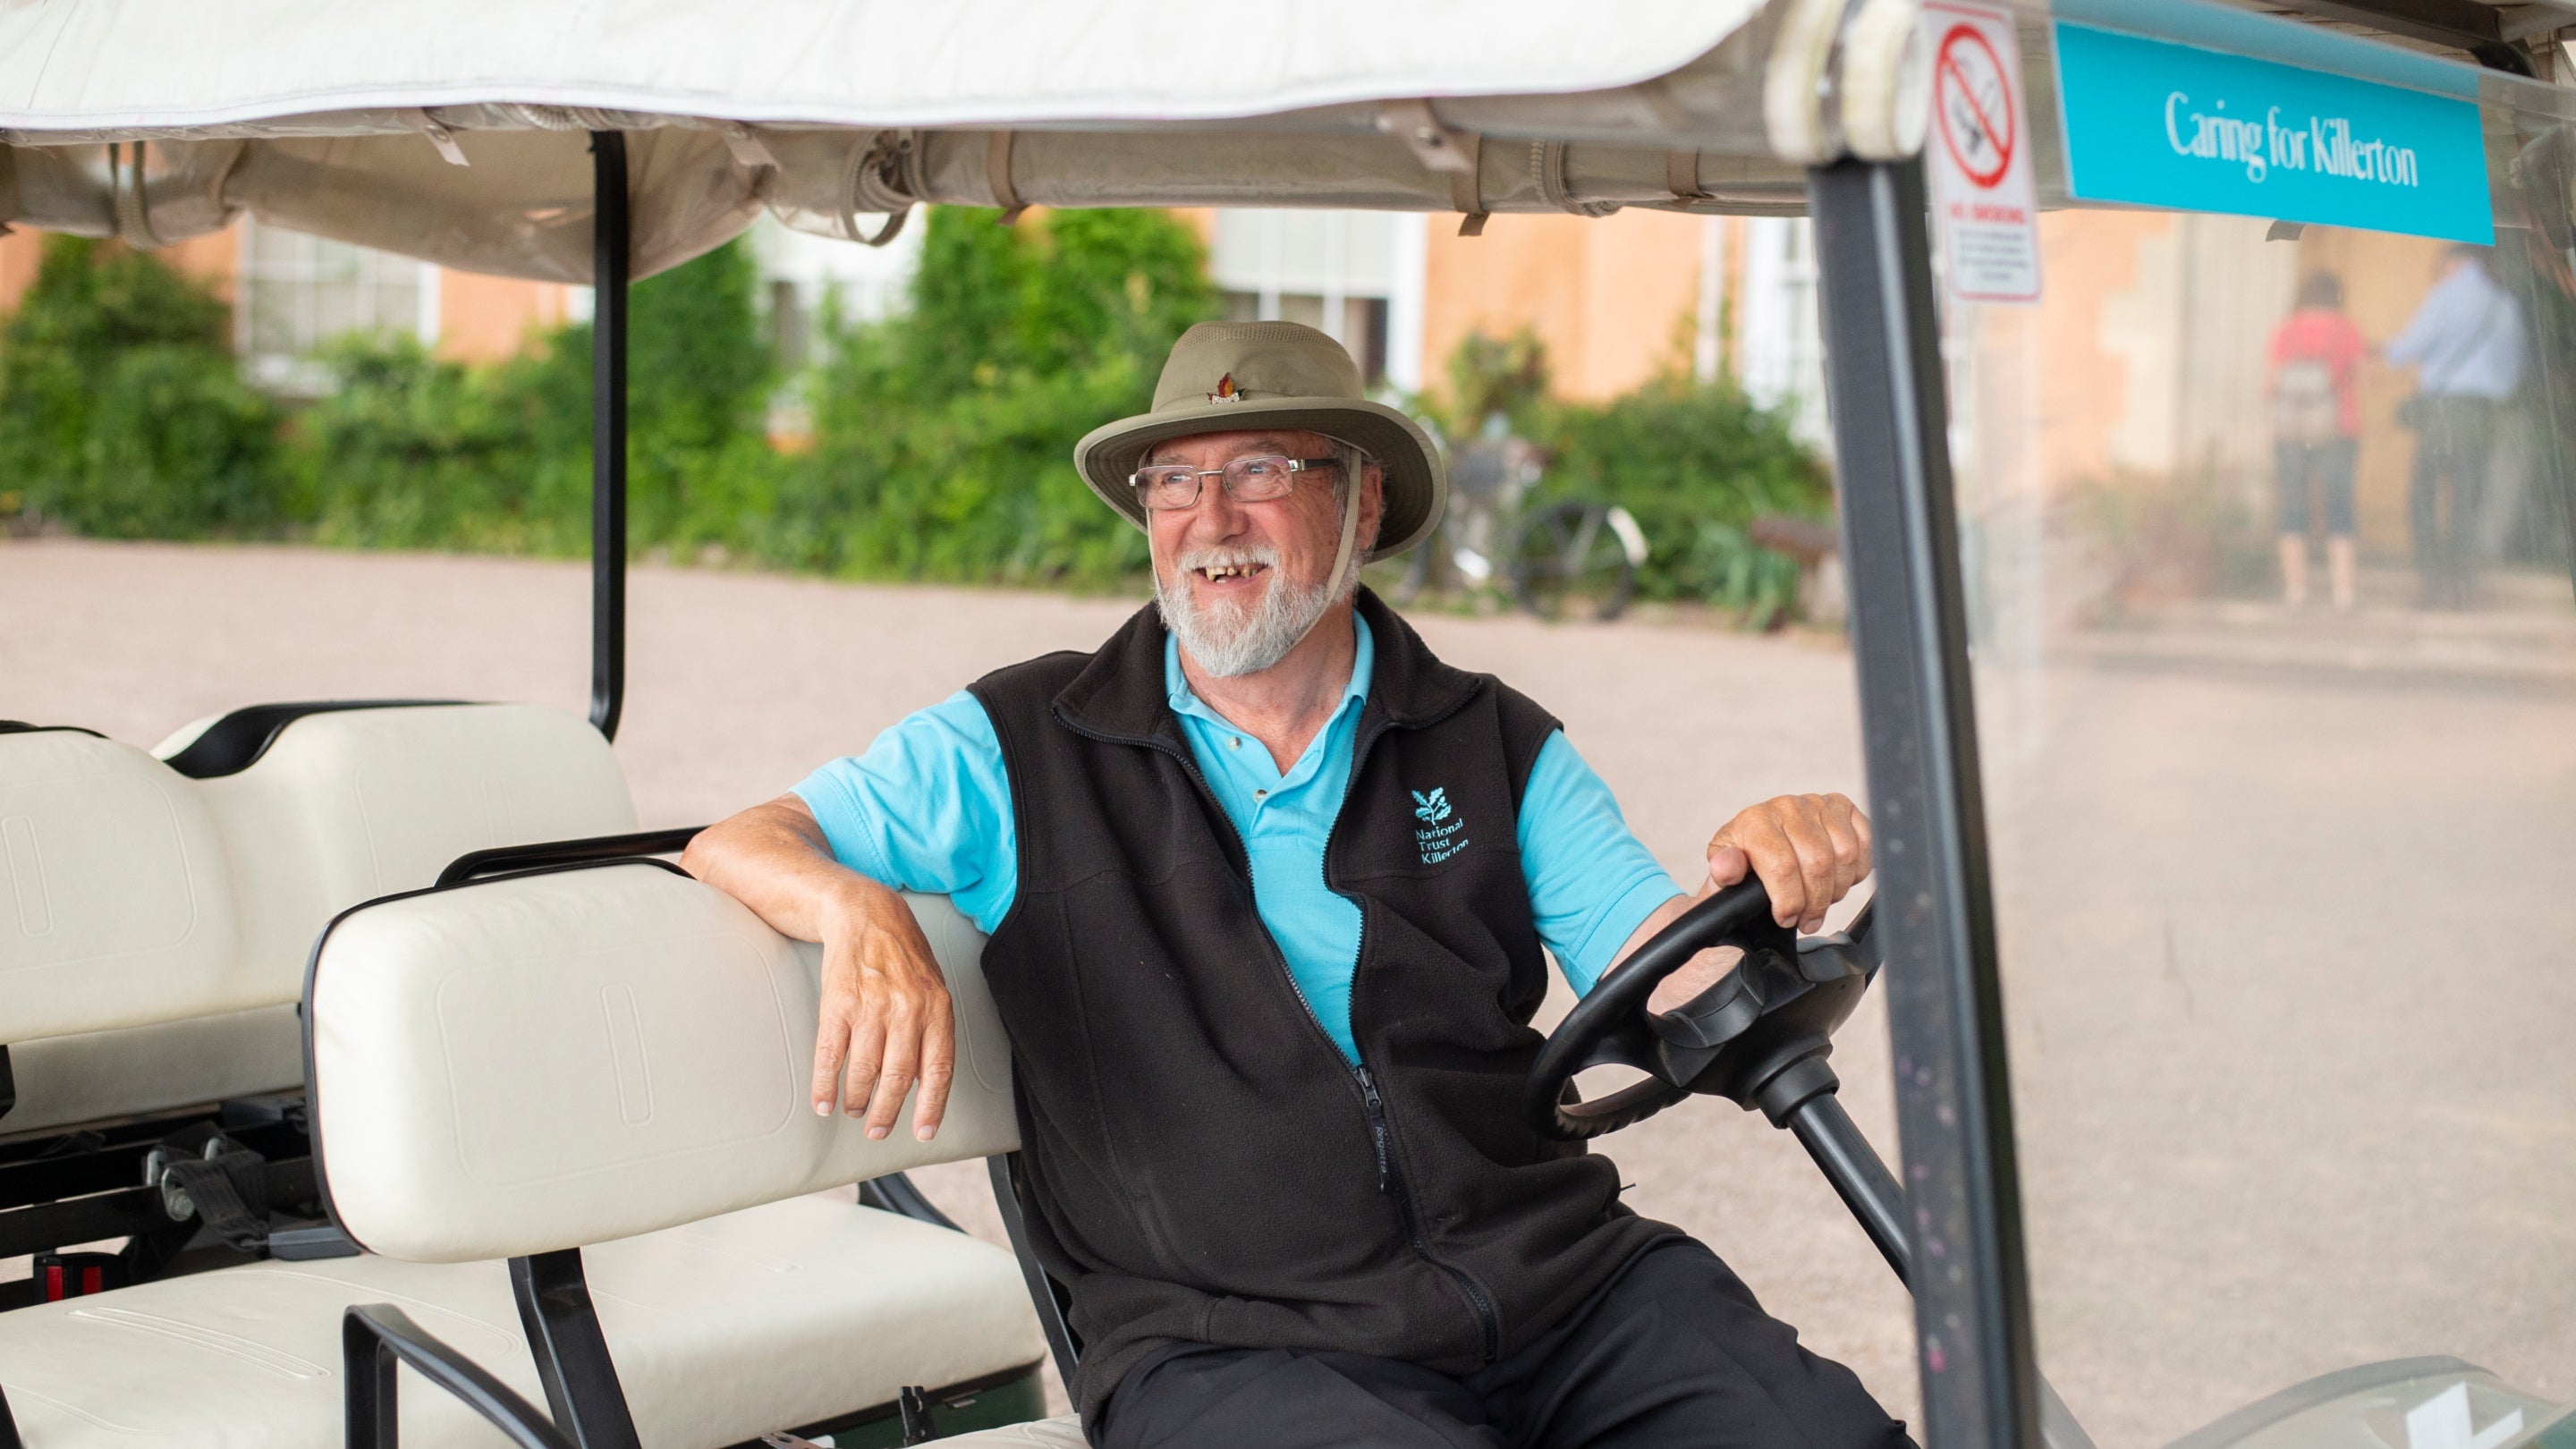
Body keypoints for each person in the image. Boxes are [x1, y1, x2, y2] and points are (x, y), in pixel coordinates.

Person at [684, 321, 1902, 1449]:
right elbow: (740, 840)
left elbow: (1668, 966)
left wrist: (1779, 864)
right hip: (1234, 1343)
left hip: (1565, 1286)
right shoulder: (1016, 742)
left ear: (1362, 500)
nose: (1211, 519)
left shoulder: (1492, 741)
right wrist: (858, 907)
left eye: (1261, 469)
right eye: (1173, 480)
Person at [2387, 243, 2525, 608]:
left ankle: (2432, 582)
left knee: (2424, 495)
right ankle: (2463, 584)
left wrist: (2384, 352)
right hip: (2483, 412)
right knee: (2469, 497)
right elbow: (2513, 369)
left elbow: (2409, 347)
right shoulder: (2504, 304)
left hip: (2444, 409)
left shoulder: (2445, 295)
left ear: (2455, 263)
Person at [2267, 271, 2368, 610]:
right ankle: (2344, 593)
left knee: (2293, 508)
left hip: (2292, 430)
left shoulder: (2286, 330)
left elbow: (2269, 384)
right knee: (2340, 508)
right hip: (2340, 428)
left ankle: (2296, 591)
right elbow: (2362, 375)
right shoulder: (2346, 329)